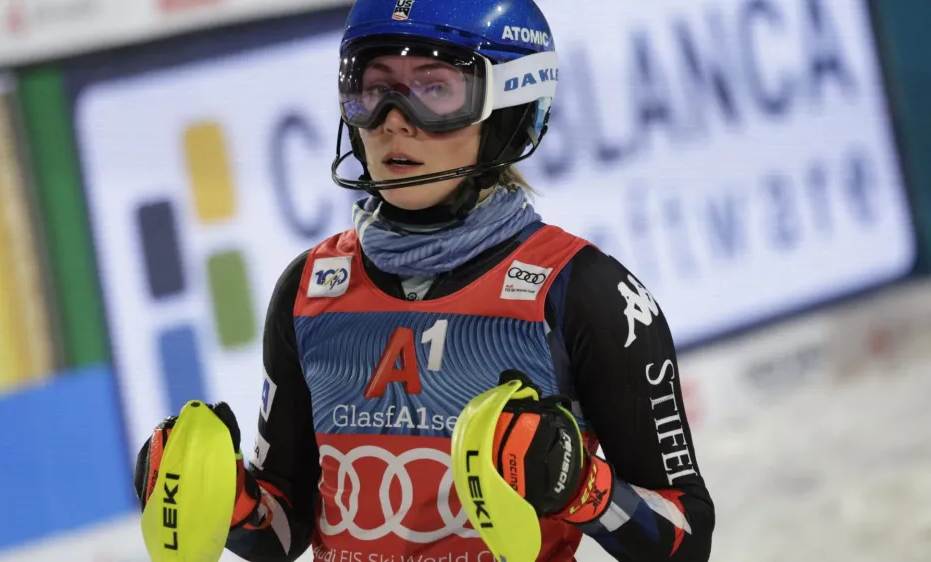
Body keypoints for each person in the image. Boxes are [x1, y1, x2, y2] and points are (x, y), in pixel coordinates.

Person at [135, 0, 715, 560]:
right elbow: (282, 530)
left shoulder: (583, 293)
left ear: (509, 109)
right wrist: (228, 502)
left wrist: (585, 489)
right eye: (374, 89)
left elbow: (686, 538)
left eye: (434, 89)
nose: (393, 121)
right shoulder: (308, 290)